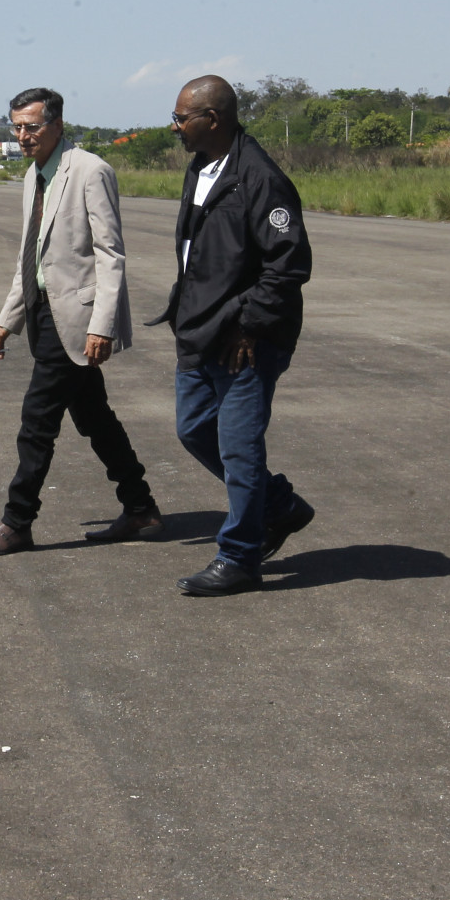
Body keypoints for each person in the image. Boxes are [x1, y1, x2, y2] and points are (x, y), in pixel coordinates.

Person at [0, 88, 160, 555]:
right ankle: (140, 507)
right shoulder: (34, 175)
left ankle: (17, 522)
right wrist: (8, 318)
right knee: (95, 418)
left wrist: (102, 325)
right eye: (16, 127)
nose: (22, 136)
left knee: (37, 421)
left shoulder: (91, 170)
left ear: (56, 125)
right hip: (41, 311)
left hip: (75, 317)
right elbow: (31, 256)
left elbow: (110, 254)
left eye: (31, 126)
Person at [149, 75, 314, 596]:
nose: (175, 127)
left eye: (181, 118)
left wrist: (250, 326)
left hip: (245, 338)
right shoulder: (201, 167)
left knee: (240, 449)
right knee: (194, 428)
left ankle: (239, 556)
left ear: (212, 119)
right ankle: (280, 505)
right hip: (201, 328)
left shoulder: (260, 177)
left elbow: (288, 264)